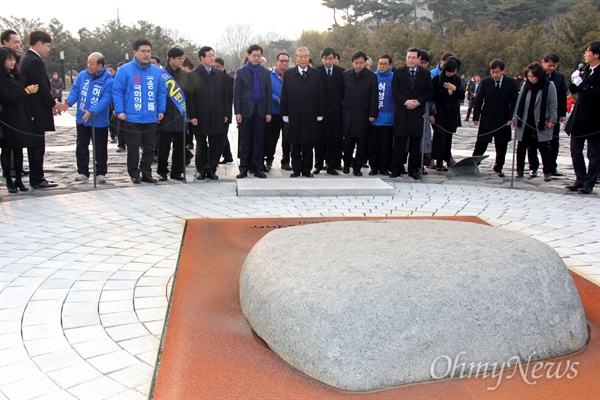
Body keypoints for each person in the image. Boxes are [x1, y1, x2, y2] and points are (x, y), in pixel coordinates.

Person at [112, 38, 167, 184]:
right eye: (143, 51)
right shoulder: (125, 70)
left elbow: (161, 92)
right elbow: (117, 91)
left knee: (150, 147)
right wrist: (120, 110)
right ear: (135, 52)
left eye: (148, 51)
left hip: (150, 116)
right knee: (133, 147)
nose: (146, 54)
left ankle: (146, 172)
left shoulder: (156, 71)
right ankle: (134, 173)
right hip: (131, 116)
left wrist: (161, 109)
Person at [19, 30, 66, 189]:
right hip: (35, 111)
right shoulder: (33, 61)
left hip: (32, 109)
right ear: (39, 43)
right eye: (47, 46)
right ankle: (37, 178)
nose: (48, 50)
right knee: (37, 146)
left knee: (36, 145)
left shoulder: (26, 58)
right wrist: (53, 104)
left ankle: (37, 176)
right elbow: (41, 87)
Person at [64, 52, 113, 184]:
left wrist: (92, 111)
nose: (88, 66)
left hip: (98, 121)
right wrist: (68, 102)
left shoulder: (109, 81)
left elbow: (106, 99)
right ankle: (83, 172)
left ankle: (101, 172)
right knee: (81, 146)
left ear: (100, 65)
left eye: (91, 63)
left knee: (100, 148)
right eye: (88, 63)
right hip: (82, 118)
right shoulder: (82, 75)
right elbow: (75, 91)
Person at [280, 46, 325, 177]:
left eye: (306, 56)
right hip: (294, 115)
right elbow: (285, 95)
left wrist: (320, 113)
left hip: (310, 115)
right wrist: (285, 113)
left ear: (309, 57)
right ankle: (296, 169)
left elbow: (320, 94)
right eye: (301, 56)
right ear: (296, 58)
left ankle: (306, 170)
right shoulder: (289, 74)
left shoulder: (316, 74)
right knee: (295, 145)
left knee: (308, 145)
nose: (304, 59)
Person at [390, 47, 433, 180]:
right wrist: (406, 101)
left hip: (417, 112)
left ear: (419, 59)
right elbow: (395, 90)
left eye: (413, 57)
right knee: (399, 142)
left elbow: (429, 92)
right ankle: (396, 168)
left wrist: (418, 102)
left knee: (415, 143)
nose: (410, 60)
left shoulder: (425, 75)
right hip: (402, 111)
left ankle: (413, 169)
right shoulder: (398, 72)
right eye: (408, 57)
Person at [0, 46, 38, 193]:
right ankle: (9, 179)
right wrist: (26, 91)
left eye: (13, 59)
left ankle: (19, 180)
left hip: (20, 117)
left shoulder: (13, 76)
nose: (12, 62)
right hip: (8, 118)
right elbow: (7, 98)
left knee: (19, 150)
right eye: (9, 59)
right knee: (7, 149)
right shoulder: (2, 78)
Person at [472, 59, 518, 178]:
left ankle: (499, 166)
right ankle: (473, 164)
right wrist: (476, 116)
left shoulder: (511, 83)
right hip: (488, 116)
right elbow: (479, 100)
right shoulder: (485, 82)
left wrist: (511, 118)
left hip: (503, 118)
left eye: (497, 72)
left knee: (501, 144)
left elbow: (514, 102)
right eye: (492, 72)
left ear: (503, 71)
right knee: (481, 142)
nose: (495, 75)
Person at [188, 46, 229, 180]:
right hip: (200, 116)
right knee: (201, 143)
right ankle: (201, 169)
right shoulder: (193, 75)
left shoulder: (219, 74)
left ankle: (211, 168)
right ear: (202, 58)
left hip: (217, 115)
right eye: (209, 56)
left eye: (213, 55)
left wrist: (226, 114)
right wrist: (192, 115)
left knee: (215, 143)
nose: (212, 58)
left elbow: (226, 96)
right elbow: (190, 97)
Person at [565, 41, 600, 194]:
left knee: (594, 153)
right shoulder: (586, 70)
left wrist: (583, 85)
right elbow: (576, 90)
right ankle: (580, 179)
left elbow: (597, 95)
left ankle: (589, 182)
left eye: (588, 51)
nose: (585, 54)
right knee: (575, 150)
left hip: (594, 118)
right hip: (579, 116)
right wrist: (574, 82)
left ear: (597, 55)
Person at [512, 62, 557, 182]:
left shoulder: (549, 85)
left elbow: (553, 104)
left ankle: (547, 171)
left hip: (541, 120)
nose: (531, 79)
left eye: (533, 76)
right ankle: (520, 170)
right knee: (522, 146)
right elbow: (519, 102)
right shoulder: (525, 85)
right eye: (529, 76)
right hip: (525, 119)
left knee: (543, 147)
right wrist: (514, 118)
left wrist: (553, 119)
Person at [234, 44, 272, 179]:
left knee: (259, 141)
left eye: (259, 56)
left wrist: (268, 112)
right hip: (245, 111)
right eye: (254, 55)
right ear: (248, 56)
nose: (256, 58)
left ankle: (258, 168)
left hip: (260, 111)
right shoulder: (241, 71)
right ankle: (243, 168)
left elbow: (268, 93)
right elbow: (236, 94)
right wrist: (237, 112)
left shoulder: (266, 72)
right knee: (245, 141)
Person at [341, 50, 378, 176]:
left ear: (365, 63)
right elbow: (340, 94)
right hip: (348, 114)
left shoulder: (371, 76)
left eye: (361, 63)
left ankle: (357, 167)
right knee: (347, 143)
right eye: (356, 63)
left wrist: (373, 112)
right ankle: (346, 164)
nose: (358, 65)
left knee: (362, 144)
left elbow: (374, 96)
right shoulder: (346, 75)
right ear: (352, 62)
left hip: (363, 114)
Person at [156, 47, 191, 182]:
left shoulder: (184, 75)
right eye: (179, 58)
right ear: (171, 59)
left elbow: (188, 96)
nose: (182, 61)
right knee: (163, 146)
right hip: (165, 116)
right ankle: (162, 171)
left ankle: (176, 171)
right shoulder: (160, 74)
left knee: (180, 146)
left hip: (180, 115)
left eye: (183, 58)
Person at [431, 56, 465, 171]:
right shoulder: (436, 79)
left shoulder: (457, 80)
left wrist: (454, 89)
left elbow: (461, 95)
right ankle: (438, 161)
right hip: (439, 113)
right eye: (448, 71)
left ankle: (447, 159)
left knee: (448, 137)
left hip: (452, 113)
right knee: (440, 137)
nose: (450, 74)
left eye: (453, 72)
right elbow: (433, 95)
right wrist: (447, 92)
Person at [315, 47, 345, 175]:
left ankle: (331, 165)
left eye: (330, 59)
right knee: (319, 140)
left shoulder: (341, 72)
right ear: (322, 59)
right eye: (325, 59)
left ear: (335, 59)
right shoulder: (316, 72)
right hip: (320, 111)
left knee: (334, 140)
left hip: (336, 112)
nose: (328, 61)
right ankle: (318, 165)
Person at [540, 52, 568, 177]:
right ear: (543, 63)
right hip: (539, 113)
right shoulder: (537, 74)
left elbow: (562, 96)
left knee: (554, 141)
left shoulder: (559, 77)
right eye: (549, 65)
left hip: (553, 113)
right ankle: (534, 166)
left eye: (554, 66)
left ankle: (552, 166)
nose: (551, 68)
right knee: (536, 141)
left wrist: (561, 113)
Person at [368, 54, 395, 175]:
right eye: (380, 64)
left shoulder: (395, 77)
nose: (382, 66)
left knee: (386, 145)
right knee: (373, 144)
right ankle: (373, 166)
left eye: (385, 64)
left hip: (389, 117)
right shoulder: (372, 77)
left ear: (390, 65)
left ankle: (383, 166)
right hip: (374, 117)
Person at [264, 52, 290, 171]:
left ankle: (286, 161)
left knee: (287, 138)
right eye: (282, 60)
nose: (284, 63)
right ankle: (269, 160)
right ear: (277, 62)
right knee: (271, 138)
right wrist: (278, 100)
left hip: (288, 112)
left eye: (286, 61)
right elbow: (267, 91)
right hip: (274, 111)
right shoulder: (270, 76)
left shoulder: (291, 75)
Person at [215, 57, 234, 165]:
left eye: (218, 67)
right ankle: (228, 155)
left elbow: (229, 99)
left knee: (221, 136)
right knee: (221, 136)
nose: (216, 69)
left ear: (223, 67)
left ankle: (216, 158)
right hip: (215, 113)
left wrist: (226, 113)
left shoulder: (228, 79)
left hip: (225, 112)